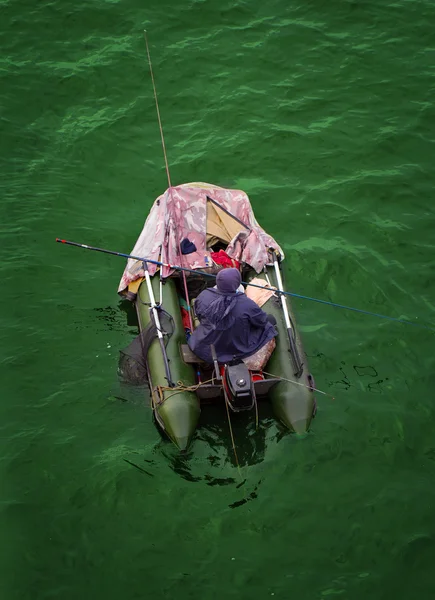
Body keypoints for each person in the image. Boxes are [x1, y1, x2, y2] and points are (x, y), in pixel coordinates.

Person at [188, 268, 277, 365]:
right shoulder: (247, 304)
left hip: (201, 346)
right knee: (270, 322)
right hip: (227, 352)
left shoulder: (204, 295)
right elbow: (262, 322)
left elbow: (199, 315)